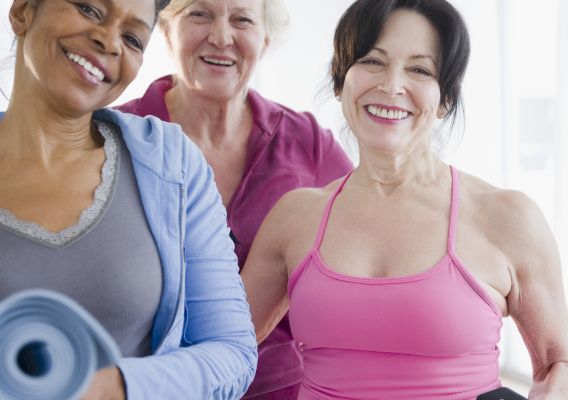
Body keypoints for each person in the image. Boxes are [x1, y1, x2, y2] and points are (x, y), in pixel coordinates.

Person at [241, 0, 568, 399]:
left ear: (445, 97)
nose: (392, 85)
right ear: (341, 79)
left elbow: (558, 362)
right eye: (373, 62)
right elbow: (225, 346)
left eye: (419, 69)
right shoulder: (295, 216)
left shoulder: (508, 217)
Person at [0, 0, 257, 399]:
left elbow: (233, 353)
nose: (109, 41)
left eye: (132, 38)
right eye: (89, 9)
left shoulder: (172, 164)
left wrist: (115, 388)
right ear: (22, 11)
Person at [116, 0, 354, 398]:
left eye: (242, 19)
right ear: (166, 29)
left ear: (265, 38)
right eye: (199, 14)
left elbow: (372, 246)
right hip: (150, 387)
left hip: (284, 389)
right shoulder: (116, 138)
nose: (221, 37)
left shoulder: (310, 145)